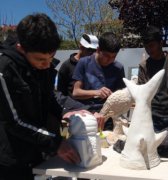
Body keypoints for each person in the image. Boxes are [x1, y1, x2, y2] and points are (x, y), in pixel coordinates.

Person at [0, 13, 104, 180]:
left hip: (37, 152)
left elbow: (50, 98)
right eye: (41, 59)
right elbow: (14, 121)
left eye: (51, 57)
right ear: (21, 48)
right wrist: (56, 143)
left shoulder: (41, 66)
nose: (47, 64)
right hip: (11, 159)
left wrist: (73, 110)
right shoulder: (4, 70)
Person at [72, 32, 125, 129]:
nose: (110, 60)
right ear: (98, 50)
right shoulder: (83, 63)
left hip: (108, 117)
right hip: (86, 114)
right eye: (107, 56)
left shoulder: (118, 68)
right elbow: (75, 92)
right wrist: (96, 92)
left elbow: (121, 95)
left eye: (114, 57)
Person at [137, 25, 168, 132]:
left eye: (151, 46)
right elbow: (141, 92)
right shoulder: (144, 66)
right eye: (146, 47)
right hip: (152, 117)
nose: (149, 50)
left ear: (161, 43)